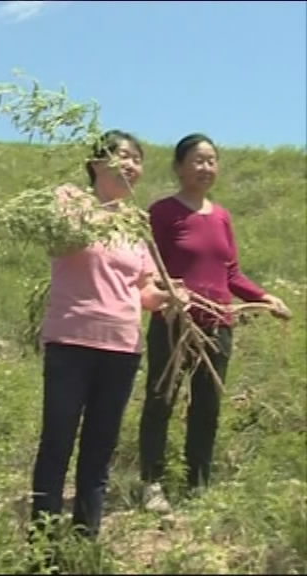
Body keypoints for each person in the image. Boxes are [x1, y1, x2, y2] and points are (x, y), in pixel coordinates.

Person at [28, 130, 178, 553]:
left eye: (137, 158)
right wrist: (99, 213)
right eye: (122, 156)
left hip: (121, 348)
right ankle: (42, 545)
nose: (131, 165)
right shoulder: (70, 200)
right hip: (71, 342)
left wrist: (168, 297)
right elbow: (61, 241)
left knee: (98, 451)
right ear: (97, 163)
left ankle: (84, 543)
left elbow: (143, 289)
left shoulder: (137, 222)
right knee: (57, 443)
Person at [138, 133, 291, 513]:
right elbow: (147, 267)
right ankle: (151, 483)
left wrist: (264, 297)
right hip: (175, 323)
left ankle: (197, 484)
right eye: (197, 160)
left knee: (207, 405)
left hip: (218, 323)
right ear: (178, 167)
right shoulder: (162, 212)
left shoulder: (221, 216)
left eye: (211, 160)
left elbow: (231, 273)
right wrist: (167, 294)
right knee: (161, 400)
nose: (206, 167)